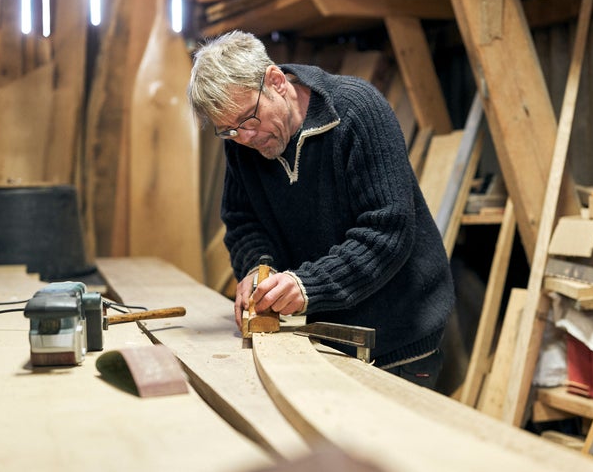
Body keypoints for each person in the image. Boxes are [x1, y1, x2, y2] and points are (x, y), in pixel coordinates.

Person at [187, 30, 455, 389]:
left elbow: (386, 231)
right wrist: (257, 269)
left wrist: (307, 285)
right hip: (325, 335)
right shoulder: (243, 141)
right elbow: (242, 220)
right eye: (228, 131)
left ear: (276, 81)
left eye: (248, 121)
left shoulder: (357, 111)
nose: (244, 138)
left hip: (398, 336)